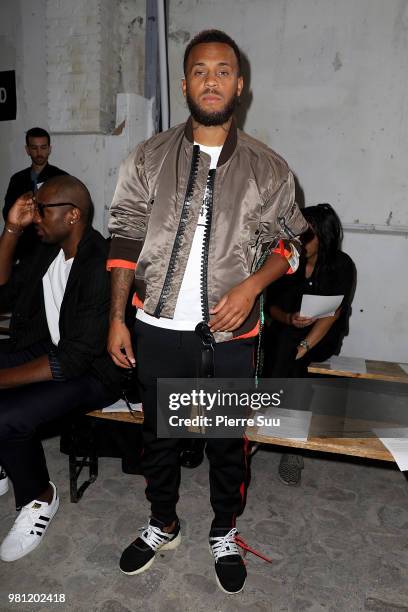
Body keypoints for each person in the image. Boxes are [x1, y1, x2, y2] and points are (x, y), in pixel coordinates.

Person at [107, 29, 307, 594]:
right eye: (200, 70)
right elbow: (123, 237)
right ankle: (162, 523)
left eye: (223, 71)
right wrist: (118, 317)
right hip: (157, 326)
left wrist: (252, 287)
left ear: (239, 86)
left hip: (232, 333)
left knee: (225, 442)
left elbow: (292, 243)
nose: (211, 80)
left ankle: (224, 529)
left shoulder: (269, 168)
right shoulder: (147, 157)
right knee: (159, 438)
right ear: (184, 82)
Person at [0, 176, 121, 563]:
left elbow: (72, 360)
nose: (34, 216)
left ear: (72, 215)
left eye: (41, 210)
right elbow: (3, 289)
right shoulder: (46, 250)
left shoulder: (98, 262)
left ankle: (39, 497)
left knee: (9, 417)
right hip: (54, 346)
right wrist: (12, 229)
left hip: (95, 372)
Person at [264, 203, 355, 484]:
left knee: (291, 356)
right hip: (286, 331)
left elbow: (333, 314)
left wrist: (302, 347)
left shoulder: (341, 265)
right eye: (297, 234)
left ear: (325, 237)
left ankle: (286, 441)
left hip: (323, 335)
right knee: (279, 345)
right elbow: (271, 307)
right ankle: (282, 430)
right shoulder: (288, 262)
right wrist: (289, 318)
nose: (299, 242)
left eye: (307, 236)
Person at [3, 127, 68, 261]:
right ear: (27, 150)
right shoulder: (17, 179)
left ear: (49, 149)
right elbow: (8, 212)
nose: (39, 152)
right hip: (23, 244)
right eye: (34, 148)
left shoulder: (60, 178)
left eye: (43, 147)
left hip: (50, 246)